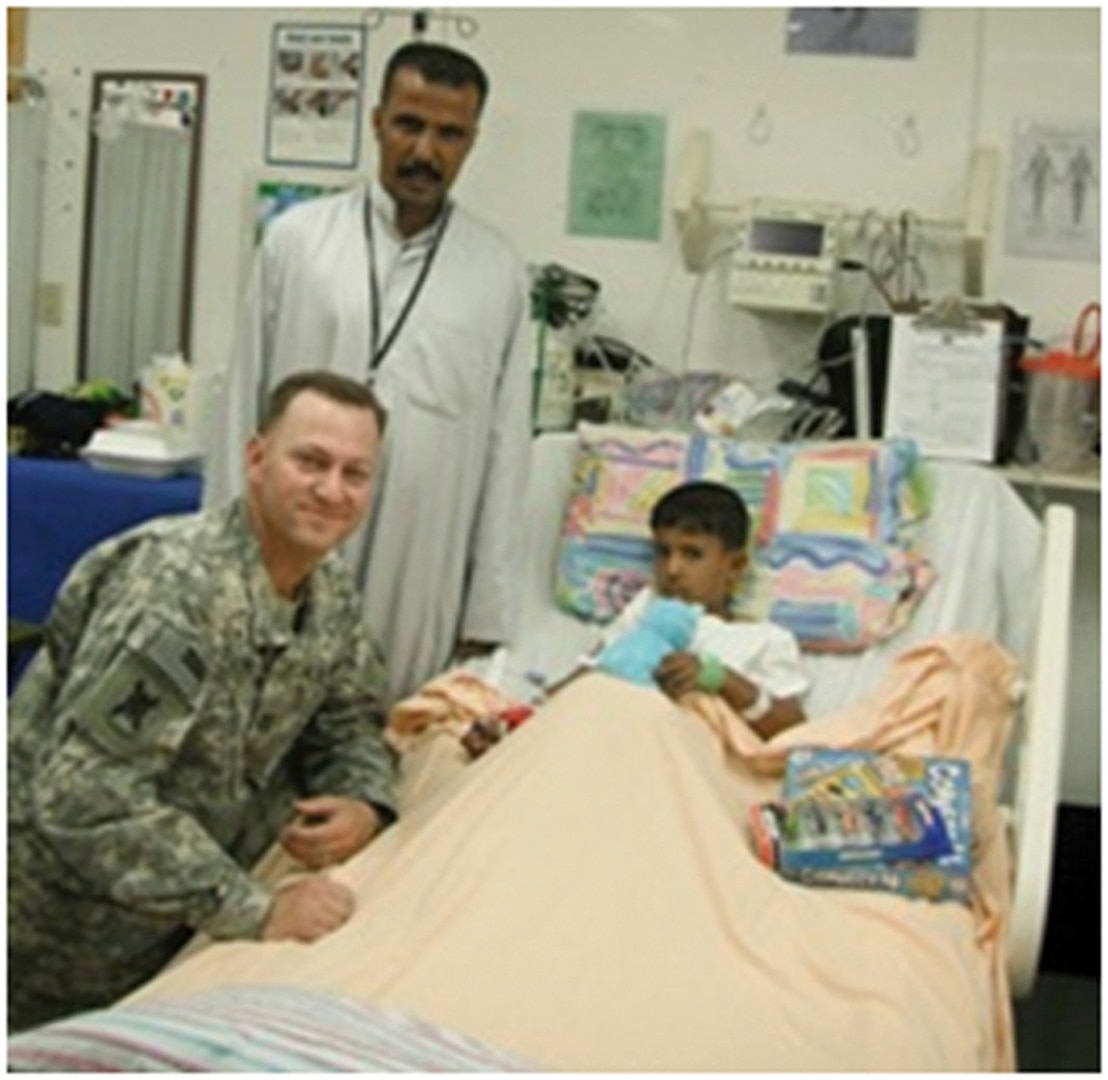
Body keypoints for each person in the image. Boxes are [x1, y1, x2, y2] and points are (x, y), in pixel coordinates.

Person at [8, 371, 398, 1033]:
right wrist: (253, 907)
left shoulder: (324, 591)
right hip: (61, 947)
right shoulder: (175, 595)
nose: (331, 491)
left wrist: (364, 800)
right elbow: (86, 800)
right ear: (255, 460)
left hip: (177, 933)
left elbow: (349, 717)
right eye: (310, 462)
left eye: (354, 473)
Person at [204, 40, 533, 703]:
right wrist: (218, 555)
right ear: (378, 120)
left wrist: (486, 613)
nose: (425, 151)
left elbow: (507, 449)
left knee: (387, 737)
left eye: (449, 134)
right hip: (288, 542)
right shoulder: (298, 241)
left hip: (421, 558)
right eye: (410, 125)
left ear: (472, 141)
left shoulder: (497, 272)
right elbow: (245, 399)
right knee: (258, 719)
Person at [579, 481, 809, 739]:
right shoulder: (645, 607)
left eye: (692, 554)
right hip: (606, 732)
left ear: (734, 566)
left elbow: (792, 728)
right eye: (663, 552)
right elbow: (589, 674)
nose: (672, 569)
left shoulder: (765, 639)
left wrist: (721, 679)